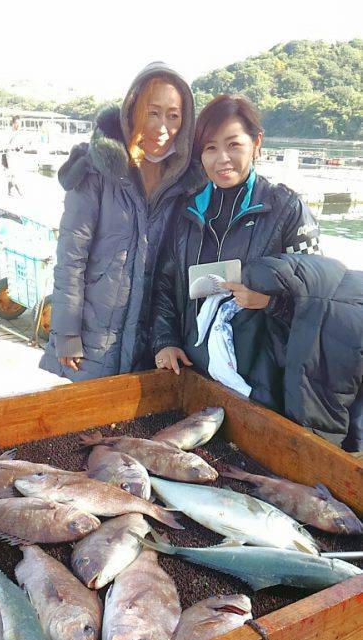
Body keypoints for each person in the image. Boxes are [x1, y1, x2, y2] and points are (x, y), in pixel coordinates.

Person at [150, 95, 363, 450]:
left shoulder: (286, 210)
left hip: (260, 389)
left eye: (234, 145)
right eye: (210, 148)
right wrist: (165, 341)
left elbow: (321, 304)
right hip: (193, 374)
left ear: (257, 143)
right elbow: (165, 285)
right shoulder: (187, 212)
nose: (222, 159)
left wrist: (270, 302)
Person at [39, 62, 201, 382]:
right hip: (92, 341)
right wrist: (66, 334)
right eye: (152, 112)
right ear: (132, 110)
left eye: (173, 115)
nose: (162, 126)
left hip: (147, 346)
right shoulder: (97, 169)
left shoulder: (184, 183)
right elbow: (71, 258)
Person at [3, 115, 24, 196]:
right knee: (13, 173)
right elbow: (7, 144)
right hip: (10, 154)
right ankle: (20, 191)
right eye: (18, 123)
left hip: (16, 154)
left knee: (13, 173)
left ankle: (9, 191)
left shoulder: (18, 132)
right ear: (14, 123)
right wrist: (15, 147)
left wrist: (20, 147)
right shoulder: (10, 132)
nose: (19, 125)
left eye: (20, 123)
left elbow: (19, 143)